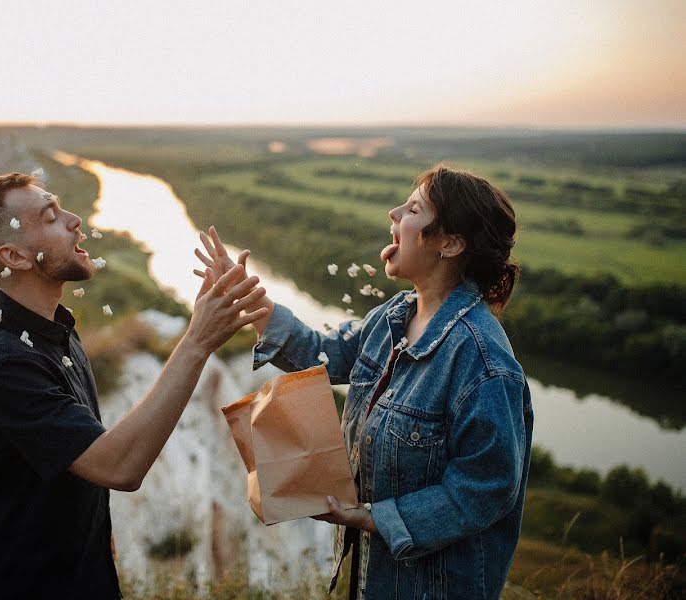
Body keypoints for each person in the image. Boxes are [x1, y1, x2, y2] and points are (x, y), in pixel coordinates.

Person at [194, 164, 533, 600]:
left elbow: (486, 490)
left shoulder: (483, 363)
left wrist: (372, 518)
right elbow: (321, 352)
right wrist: (244, 291)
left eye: (413, 208)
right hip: (370, 580)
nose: (394, 214)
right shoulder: (393, 318)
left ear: (449, 243)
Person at [0, 172, 268, 599]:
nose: (74, 219)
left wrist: (98, 542)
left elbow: (74, 465)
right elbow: (118, 467)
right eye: (50, 216)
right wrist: (198, 341)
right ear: (15, 256)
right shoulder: (1, 364)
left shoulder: (56, 332)